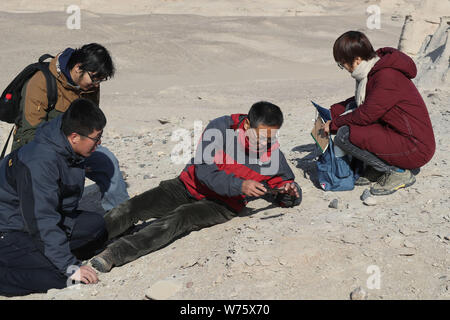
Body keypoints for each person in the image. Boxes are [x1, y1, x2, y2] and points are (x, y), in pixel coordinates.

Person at [90, 101, 302, 273]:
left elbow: (284, 186)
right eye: (262, 136)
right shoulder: (221, 128)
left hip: (221, 204)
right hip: (187, 185)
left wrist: (289, 193)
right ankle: (84, 243)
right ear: (247, 125)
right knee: (132, 207)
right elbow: (204, 170)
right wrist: (240, 185)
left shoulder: (272, 154)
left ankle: (114, 254)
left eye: (271, 137)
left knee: (179, 218)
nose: (265, 143)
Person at [0, 99, 107, 296]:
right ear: (74, 137)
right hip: (10, 230)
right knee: (63, 277)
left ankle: (41, 257)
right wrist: (69, 265)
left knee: (96, 226)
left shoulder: (65, 144)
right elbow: (42, 220)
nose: (99, 143)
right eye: (96, 138)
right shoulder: (40, 163)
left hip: (31, 221)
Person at [11, 43, 129, 211]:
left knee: (106, 160)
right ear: (78, 67)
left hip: (75, 146)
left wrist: (87, 146)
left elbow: (91, 122)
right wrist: (68, 154)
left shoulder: (90, 85)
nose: (96, 84)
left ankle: (121, 216)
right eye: (95, 78)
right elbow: (31, 133)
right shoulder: (41, 81)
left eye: (101, 80)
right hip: (38, 149)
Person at [323, 31, 435, 195]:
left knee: (344, 135)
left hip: (415, 147)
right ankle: (379, 167)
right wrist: (331, 112)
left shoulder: (386, 76)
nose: (344, 69)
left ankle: (396, 172)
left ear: (357, 60)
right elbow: (361, 101)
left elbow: (367, 113)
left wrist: (334, 124)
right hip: (398, 135)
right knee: (350, 115)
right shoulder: (374, 71)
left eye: (343, 64)